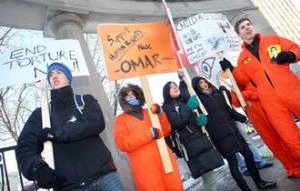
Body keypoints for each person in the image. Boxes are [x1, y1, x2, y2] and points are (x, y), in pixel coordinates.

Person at [16, 62, 123, 191]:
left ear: (68, 78)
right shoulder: (42, 115)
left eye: (59, 72)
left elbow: (95, 122)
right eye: (50, 74)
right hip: (68, 186)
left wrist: (56, 135)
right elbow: (25, 148)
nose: (54, 76)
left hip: (103, 178)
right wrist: (37, 168)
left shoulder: (84, 101)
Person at [219, 17, 300, 178]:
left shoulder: (272, 40)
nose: (247, 28)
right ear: (238, 34)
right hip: (270, 101)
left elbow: (296, 49)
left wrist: (290, 55)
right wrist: (231, 69)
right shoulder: (242, 58)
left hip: (292, 89)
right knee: (289, 138)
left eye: (249, 24)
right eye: (243, 27)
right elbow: (242, 79)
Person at [191, 76, 276, 191]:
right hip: (220, 137)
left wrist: (244, 119)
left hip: (233, 131)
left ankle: (259, 183)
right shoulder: (198, 102)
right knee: (233, 163)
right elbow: (197, 119)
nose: (204, 83)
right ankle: (246, 189)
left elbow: (229, 110)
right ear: (196, 86)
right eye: (201, 82)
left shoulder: (216, 94)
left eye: (204, 81)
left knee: (249, 156)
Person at [114, 84, 183, 191]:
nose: (131, 97)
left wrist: (160, 114)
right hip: (144, 167)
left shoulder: (150, 112)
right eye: (128, 96)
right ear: (124, 100)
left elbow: (165, 131)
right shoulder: (121, 120)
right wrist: (148, 135)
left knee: (176, 187)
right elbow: (123, 143)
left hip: (164, 159)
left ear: (138, 95)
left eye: (133, 94)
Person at [162, 80, 224, 191]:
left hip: (200, 141)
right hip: (190, 145)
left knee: (210, 176)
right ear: (166, 92)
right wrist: (189, 108)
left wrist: (200, 122)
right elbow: (178, 122)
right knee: (209, 178)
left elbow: (190, 122)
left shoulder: (182, 102)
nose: (175, 88)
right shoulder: (167, 107)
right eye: (172, 87)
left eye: (176, 86)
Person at [218, 86, 273, 176]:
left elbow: (230, 104)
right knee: (233, 148)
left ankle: (258, 161)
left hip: (233, 119)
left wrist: (226, 92)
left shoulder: (219, 91)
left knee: (246, 142)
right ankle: (243, 167)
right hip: (222, 126)